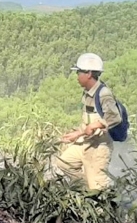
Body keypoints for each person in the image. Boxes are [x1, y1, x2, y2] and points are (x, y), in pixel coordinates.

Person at [53, 53, 123, 192]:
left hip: (98, 147)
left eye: (79, 72)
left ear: (89, 74)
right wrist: (78, 133)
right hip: (86, 142)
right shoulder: (87, 92)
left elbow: (115, 117)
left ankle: (104, 206)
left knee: (98, 187)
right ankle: (86, 195)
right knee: (64, 163)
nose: (77, 76)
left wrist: (95, 125)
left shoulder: (103, 93)